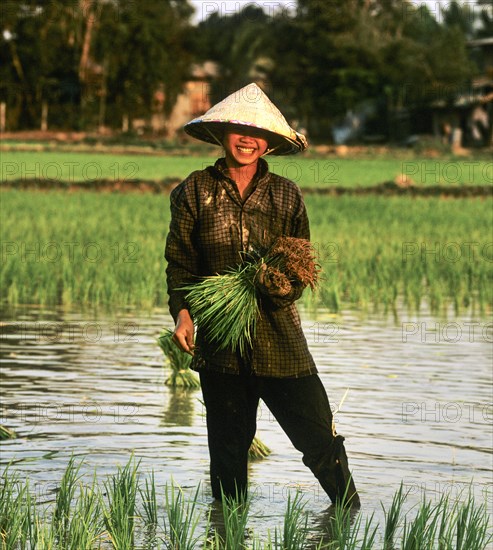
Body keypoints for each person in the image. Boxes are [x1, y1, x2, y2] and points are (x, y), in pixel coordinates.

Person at [164, 83, 359, 507]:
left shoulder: (286, 195)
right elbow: (180, 264)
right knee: (229, 454)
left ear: (269, 141)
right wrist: (183, 315)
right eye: (238, 128)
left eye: (257, 131)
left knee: (319, 439)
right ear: (222, 134)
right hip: (221, 346)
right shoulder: (195, 191)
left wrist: (277, 281)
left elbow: (300, 266)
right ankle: (228, 530)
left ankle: (350, 519)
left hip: (281, 344)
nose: (247, 138)